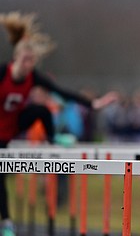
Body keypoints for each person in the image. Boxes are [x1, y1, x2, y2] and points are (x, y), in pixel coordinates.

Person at [0, 12, 118, 236]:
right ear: (15, 59)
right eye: (25, 60)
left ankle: (54, 138)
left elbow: (62, 92)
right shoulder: (1, 73)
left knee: (41, 109)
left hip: (12, 127)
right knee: (0, 180)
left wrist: (94, 103)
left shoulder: (33, 78)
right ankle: (6, 220)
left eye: (32, 61)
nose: (28, 65)